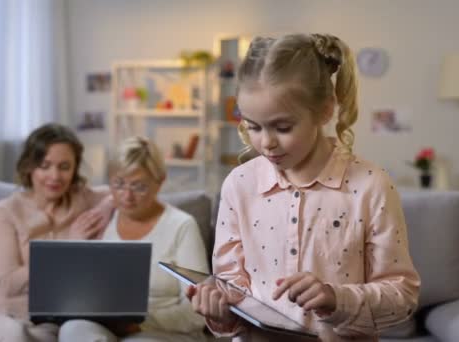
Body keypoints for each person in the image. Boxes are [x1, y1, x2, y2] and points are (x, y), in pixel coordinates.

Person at [187, 33, 421, 341]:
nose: (266, 143)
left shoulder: (370, 186)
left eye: (283, 127)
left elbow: (402, 296)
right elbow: (232, 288)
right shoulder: (239, 184)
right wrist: (218, 311)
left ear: (325, 111)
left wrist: (337, 299)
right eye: (253, 127)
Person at [0, 123, 115, 342]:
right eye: (45, 165)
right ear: (30, 166)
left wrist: (106, 208)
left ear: (75, 169)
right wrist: (69, 247)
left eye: (64, 166)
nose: (55, 176)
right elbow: (8, 284)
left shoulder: (81, 198)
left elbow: (120, 191)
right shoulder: (4, 213)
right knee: (13, 335)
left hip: (44, 324)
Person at [58, 136, 209, 342]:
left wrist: (139, 323)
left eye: (139, 187)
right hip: (106, 323)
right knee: (73, 330)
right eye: (118, 184)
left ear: (160, 182)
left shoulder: (181, 225)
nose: (126, 197)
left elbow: (198, 310)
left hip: (165, 330)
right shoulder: (102, 218)